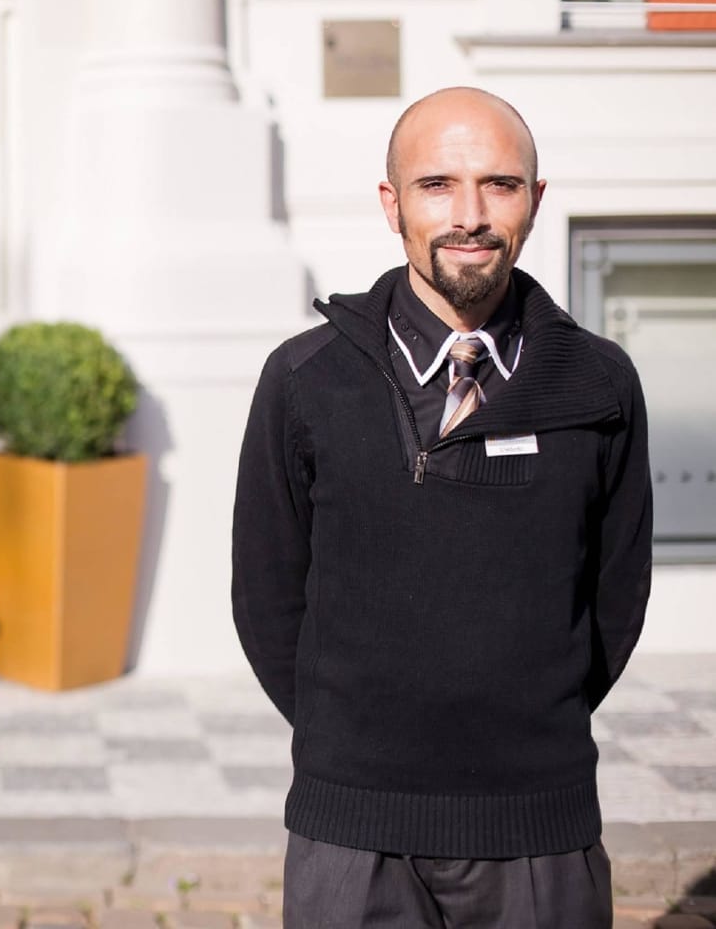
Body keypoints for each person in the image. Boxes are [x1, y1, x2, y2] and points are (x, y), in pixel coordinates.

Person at [231, 87, 652, 927]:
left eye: (499, 184)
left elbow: (616, 599)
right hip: (351, 832)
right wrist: (356, 741)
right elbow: (267, 597)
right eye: (437, 185)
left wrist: (522, 721)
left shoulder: (599, 382)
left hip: (539, 825)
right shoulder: (306, 379)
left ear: (535, 199)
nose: (470, 215)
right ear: (392, 205)